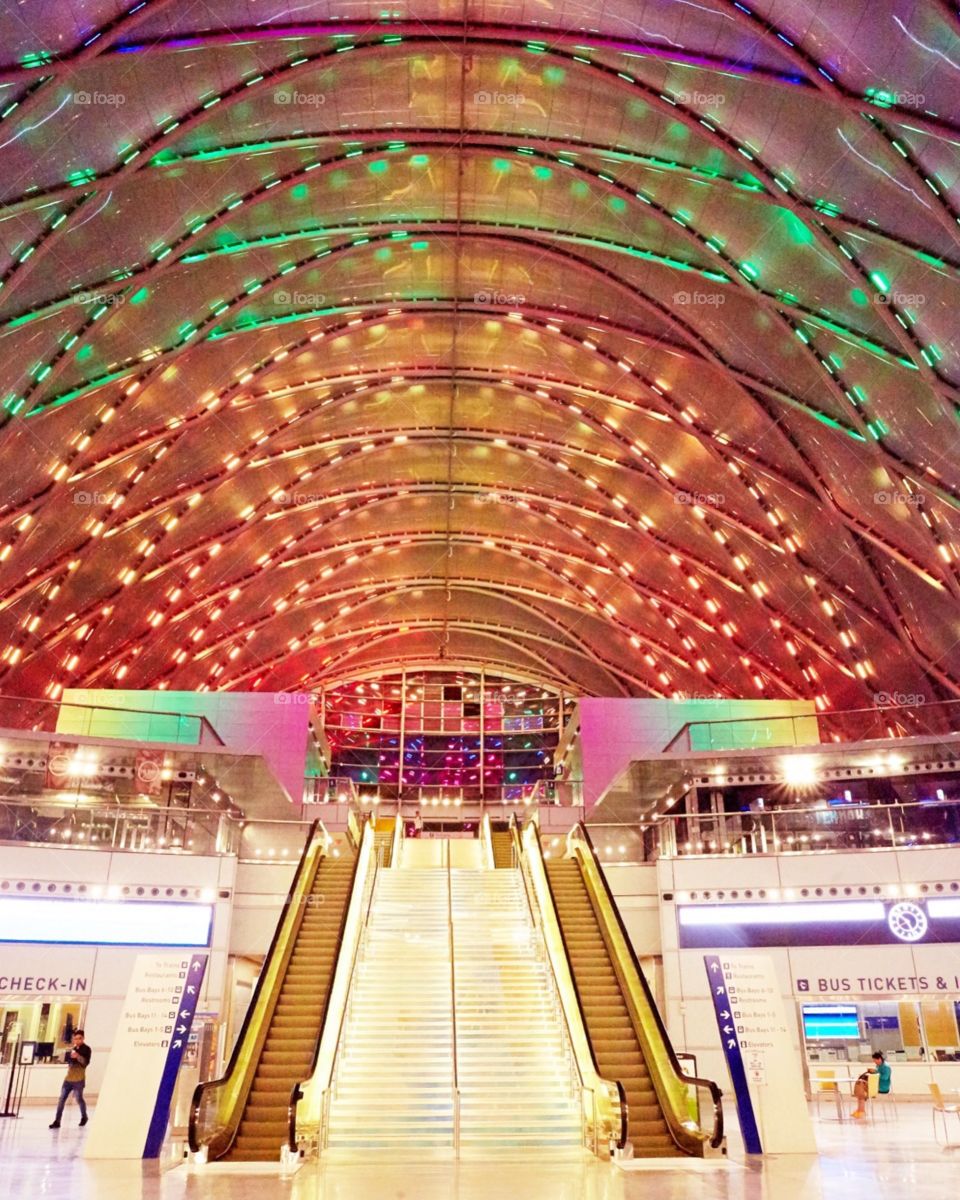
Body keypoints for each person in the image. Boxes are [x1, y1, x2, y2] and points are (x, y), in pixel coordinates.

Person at [50, 1030, 91, 1128]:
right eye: (75, 1039)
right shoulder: (73, 1048)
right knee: (61, 1099)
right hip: (68, 1079)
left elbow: (85, 1063)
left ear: (83, 1038)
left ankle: (84, 1117)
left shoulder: (87, 1049)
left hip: (79, 1079)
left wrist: (78, 1056)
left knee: (79, 1099)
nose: (77, 1040)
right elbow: (68, 1062)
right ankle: (57, 1121)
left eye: (79, 1038)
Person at [852, 1050, 891, 1118]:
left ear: (879, 1059)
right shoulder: (878, 1066)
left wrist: (875, 1074)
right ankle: (860, 1110)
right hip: (875, 1085)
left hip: (882, 1087)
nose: (874, 1062)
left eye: (875, 1060)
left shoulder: (886, 1067)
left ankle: (861, 1111)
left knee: (862, 1090)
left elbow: (885, 1077)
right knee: (860, 1087)